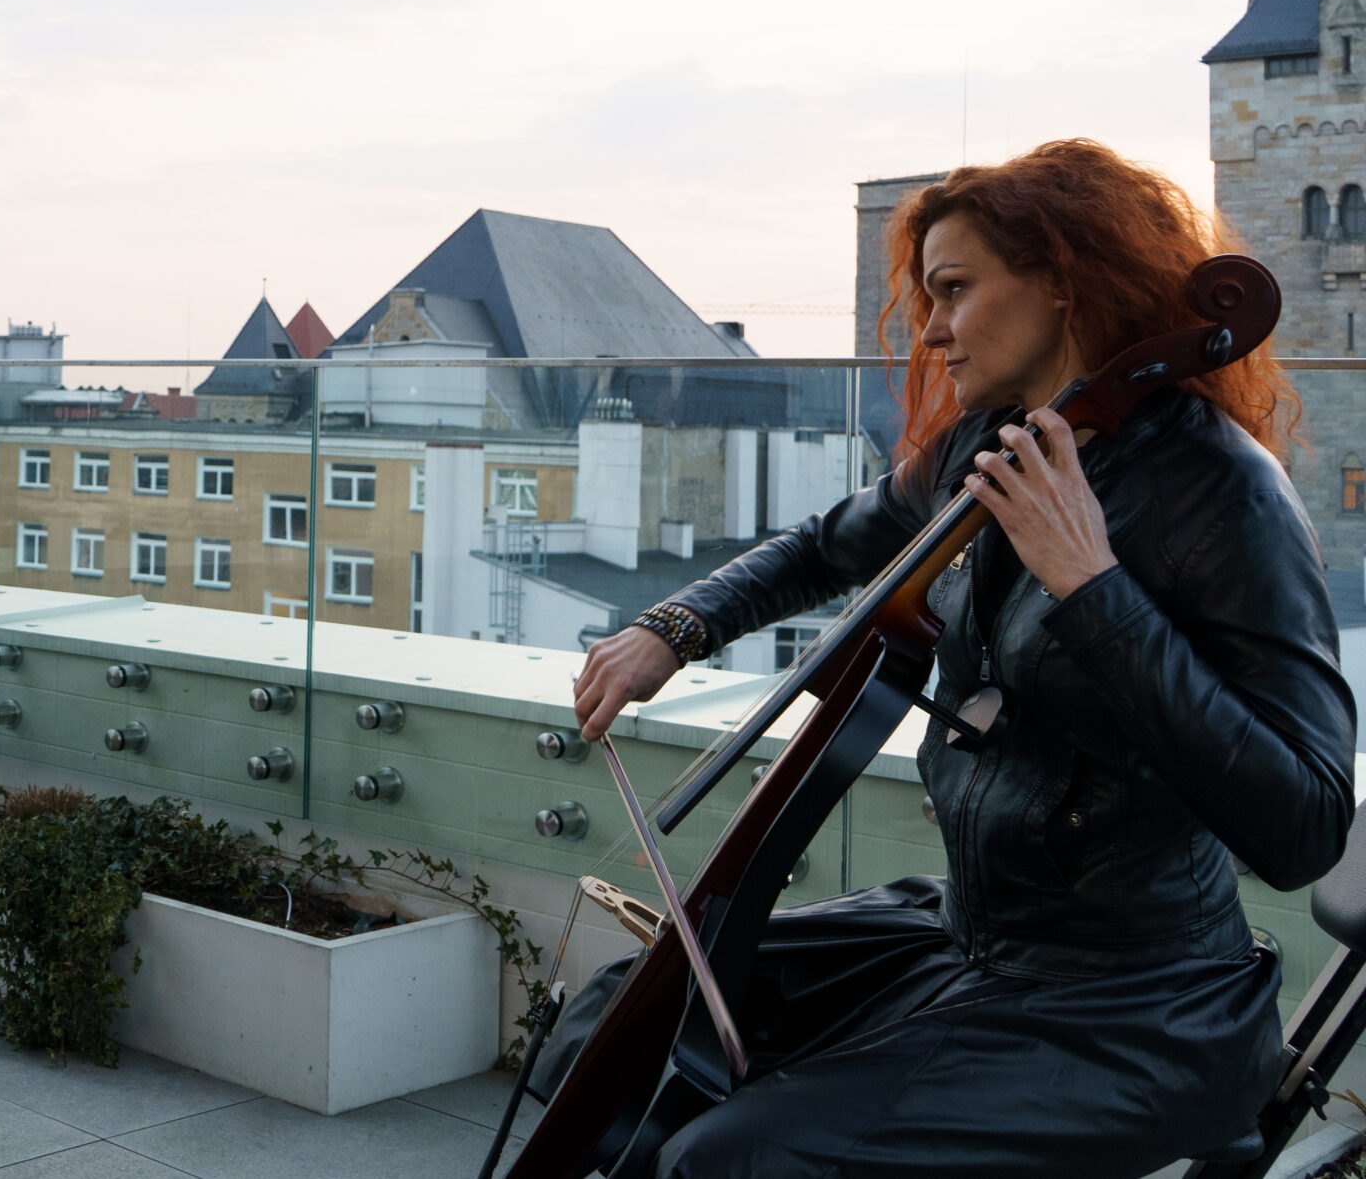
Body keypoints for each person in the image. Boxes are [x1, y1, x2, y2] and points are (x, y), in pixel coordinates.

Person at [543, 139, 1358, 1179]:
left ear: (1064, 284)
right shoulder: (994, 443)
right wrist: (675, 627)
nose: (928, 330)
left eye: (954, 290)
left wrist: (1092, 588)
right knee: (618, 1020)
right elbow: (822, 546)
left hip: (1139, 1003)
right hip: (965, 935)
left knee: (734, 1162)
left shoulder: (1223, 493)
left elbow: (1303, 822)